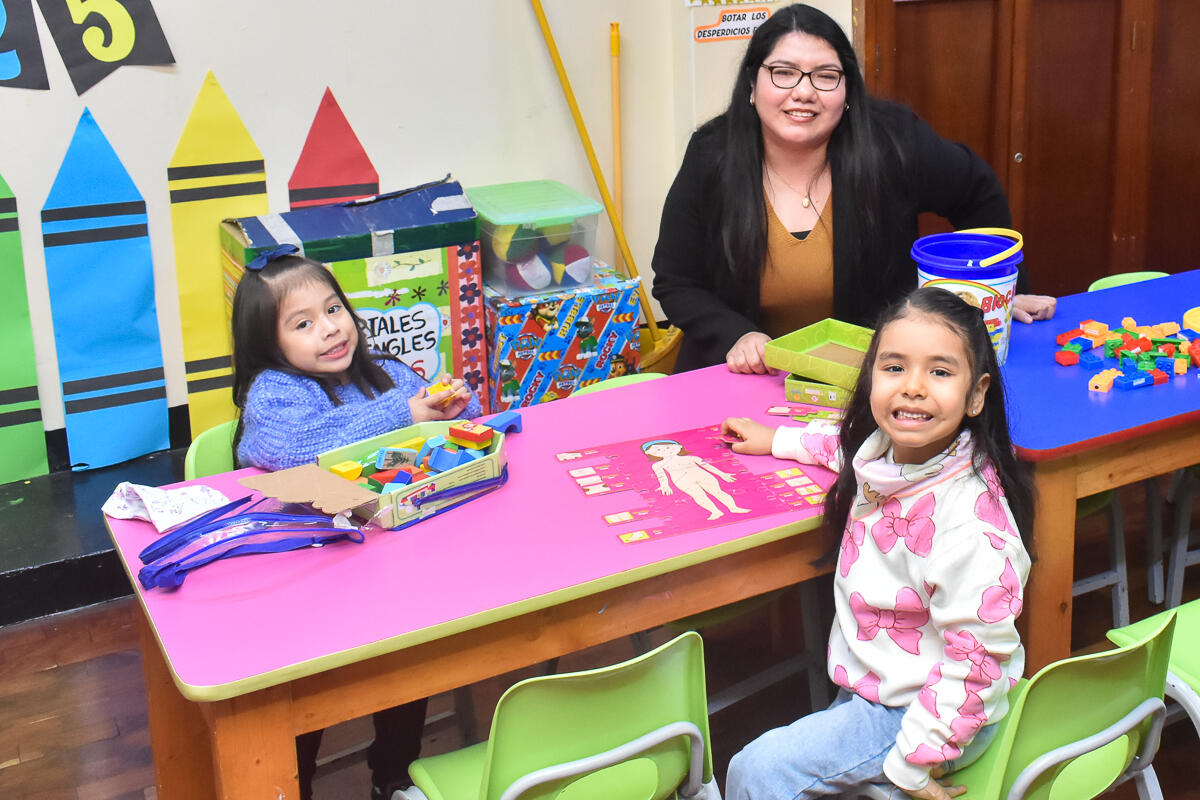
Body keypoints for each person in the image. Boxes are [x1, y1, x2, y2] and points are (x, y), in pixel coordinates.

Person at [720, 287, 1033, 800]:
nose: (912, 388)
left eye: (939, 371)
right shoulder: (892, 455)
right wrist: (777, 439)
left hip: (925, 711)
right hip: (883, 681)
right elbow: (852, 453)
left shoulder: (970, 528)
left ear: (977, 394)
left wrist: (913, 764)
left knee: (756, 772)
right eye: (893, 368)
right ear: (871, 379)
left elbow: (978, 664)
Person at [651, 3, 1056, 375]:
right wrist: (735, 336)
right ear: (752, 87)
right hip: (745, 377)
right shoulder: (712, 155)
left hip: (872, 378)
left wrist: (996, 290)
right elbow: (676, 280)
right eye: (784, 73)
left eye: (826, 76)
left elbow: (977, 192)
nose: (804, 92)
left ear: (847, 94)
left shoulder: (892, 141)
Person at [230, 244, 482, 800]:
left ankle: (392, 778)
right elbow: (303, 446)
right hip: (308, 596)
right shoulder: (273, 395)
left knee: (406, 665)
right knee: (306, 699)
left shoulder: (383, 372)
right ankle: (291, 783)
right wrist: (403, 415)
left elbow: (437, 433)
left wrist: (457, 408)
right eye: (302, 323)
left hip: (394, 574)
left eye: (333, 309)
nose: (329, 329)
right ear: (268, 343)